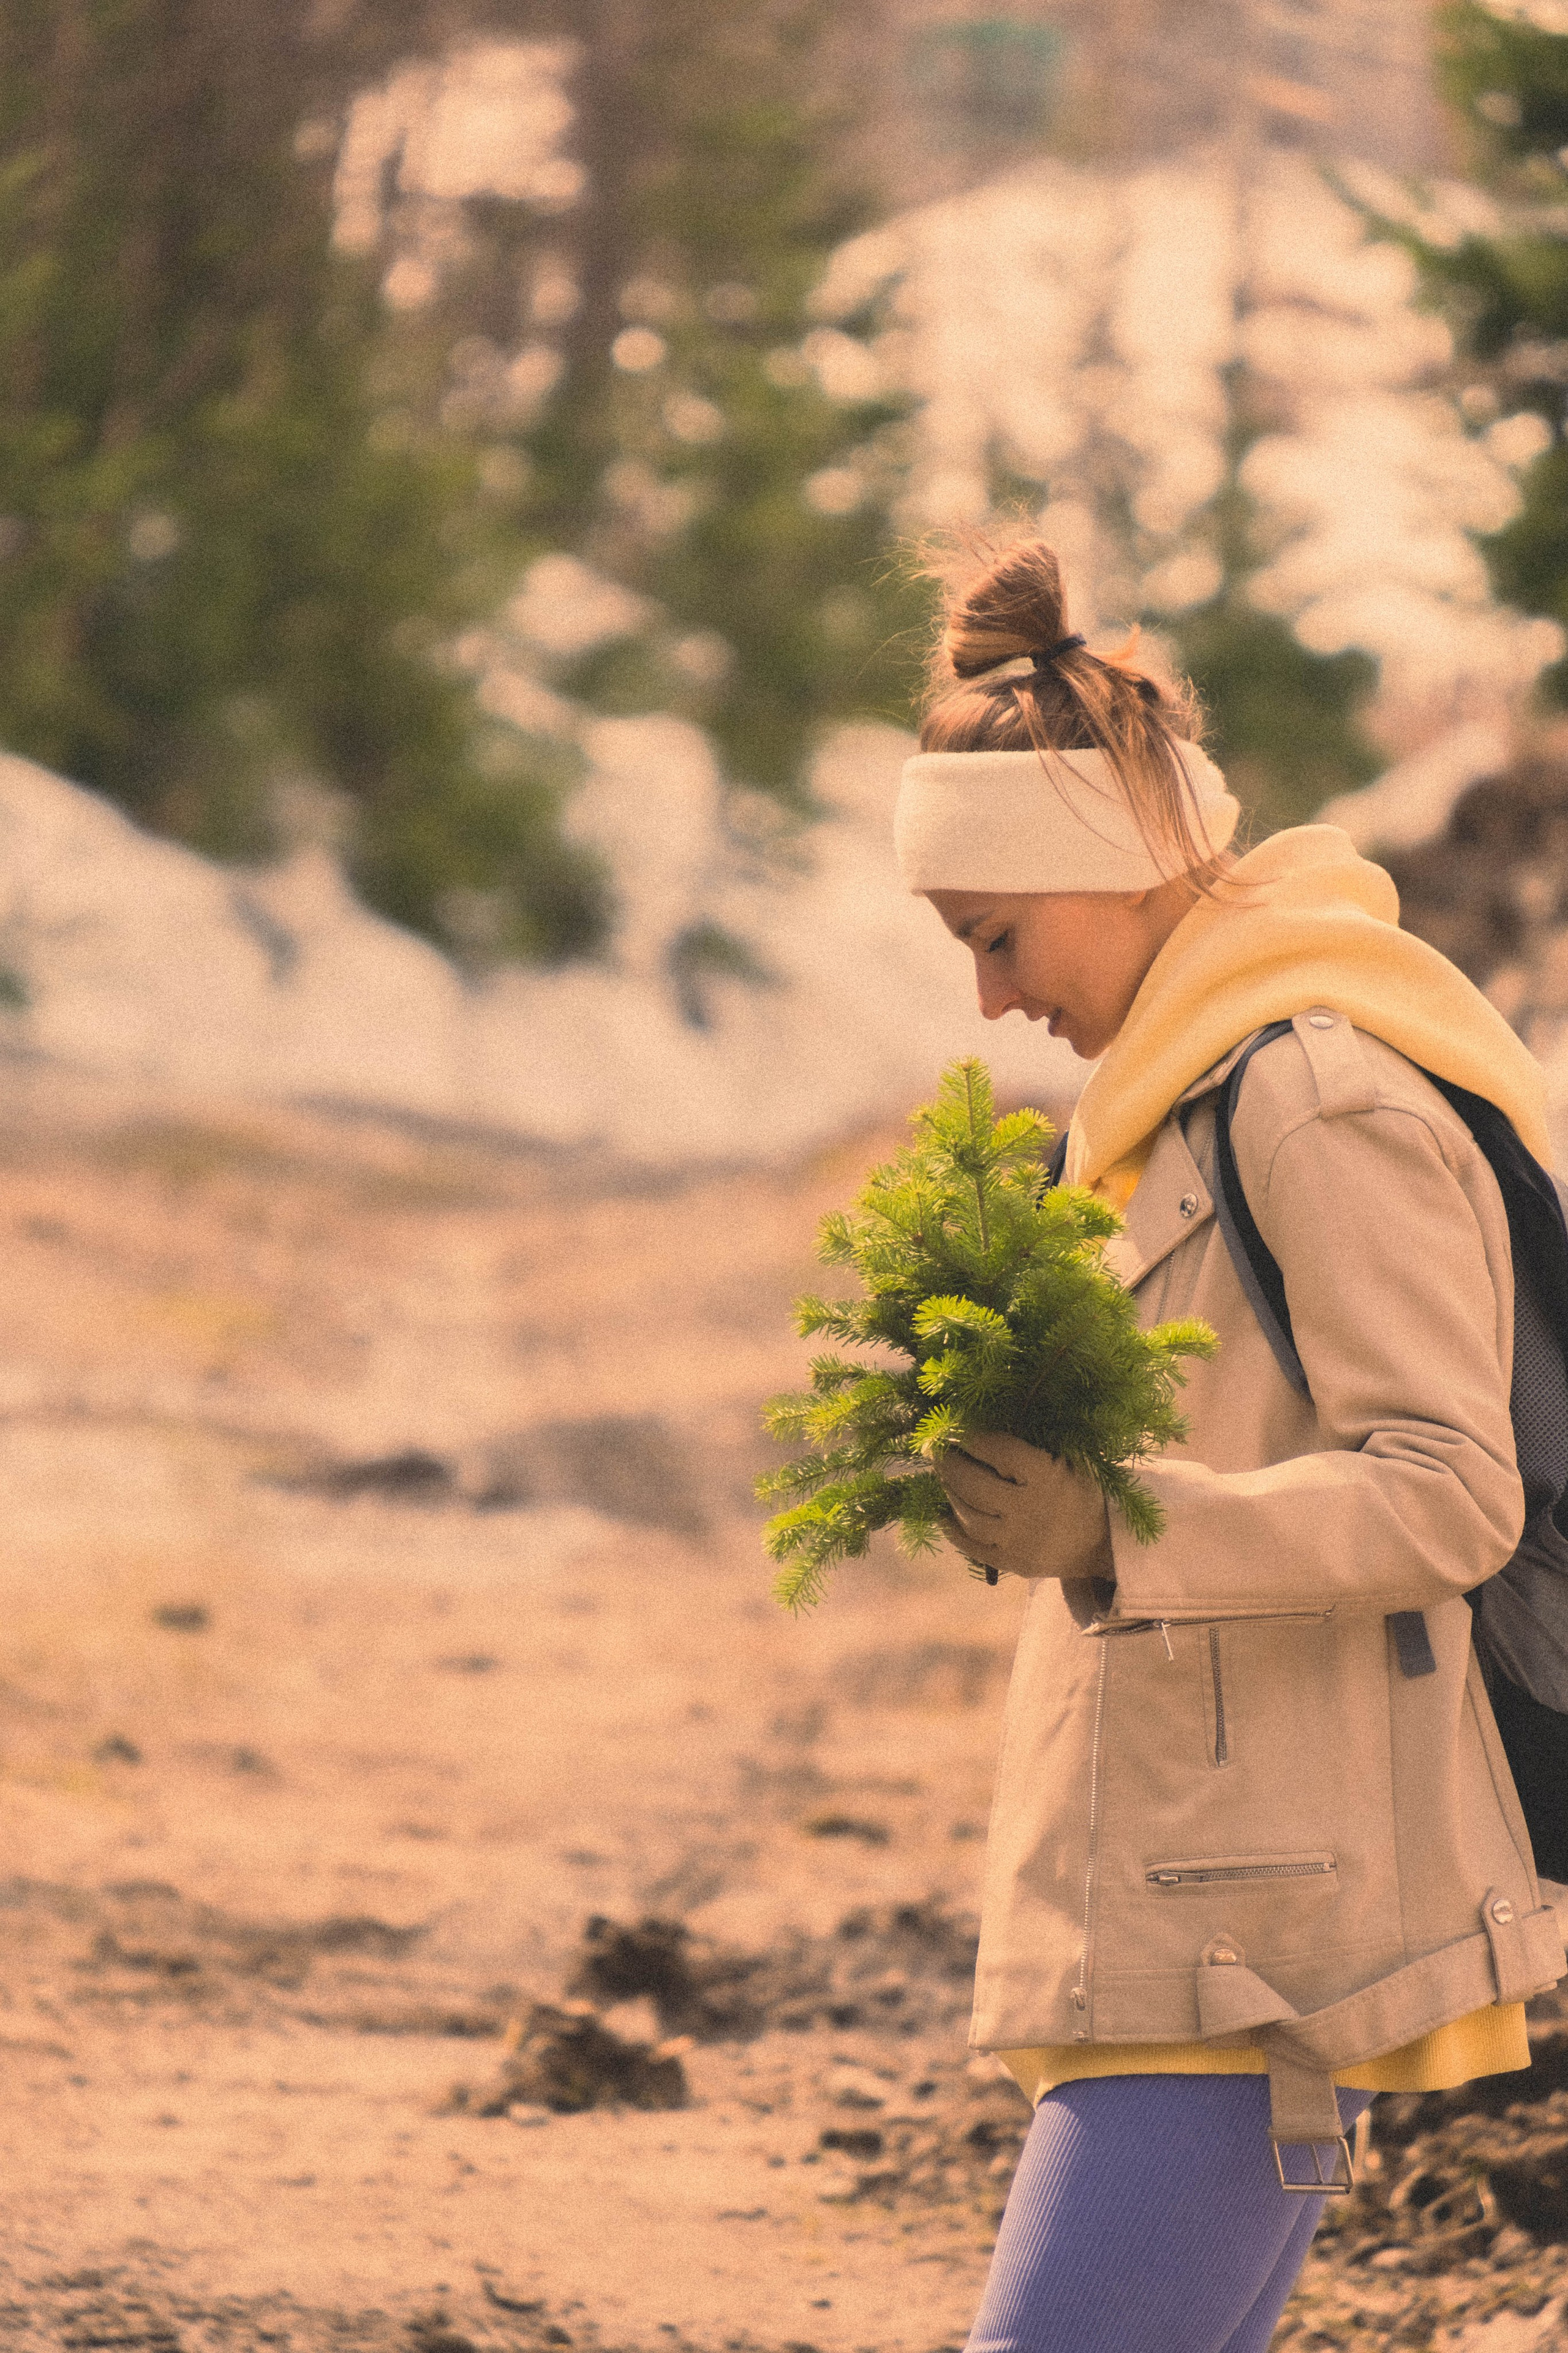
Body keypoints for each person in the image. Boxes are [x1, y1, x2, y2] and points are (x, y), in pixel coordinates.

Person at [892, 537, 1566, 2353]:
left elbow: (1452, 1489)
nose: (989, 999)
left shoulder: (1314, 1093)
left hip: (1254, 1927)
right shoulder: (1173, 1106)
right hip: (1194, 1887)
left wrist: (1118, 1522)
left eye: (996, 937)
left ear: (1099, 871)